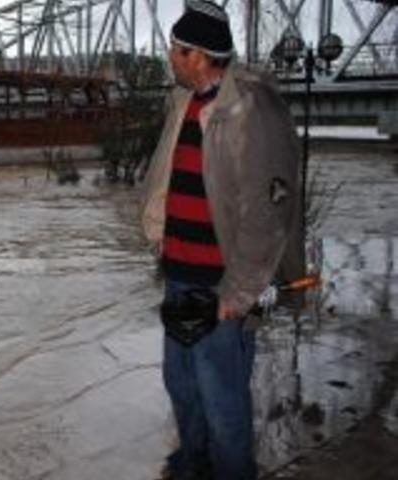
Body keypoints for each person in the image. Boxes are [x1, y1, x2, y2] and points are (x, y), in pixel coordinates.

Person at [140, 1, 305, 479]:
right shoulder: (185, 100)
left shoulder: (252, 109)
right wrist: (159, 239)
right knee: (182, 386)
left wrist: (239, 293)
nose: (169, 55)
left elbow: (268, 210)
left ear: (198, 56)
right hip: (179, 275)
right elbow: (168, 178)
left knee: (222, 399)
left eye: (176, 48)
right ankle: (192, 464)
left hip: (221, 286)